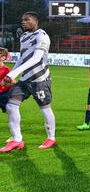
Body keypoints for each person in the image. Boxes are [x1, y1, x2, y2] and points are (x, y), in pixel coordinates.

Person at [0, 12, 56, 152]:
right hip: (25, 79)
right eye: (22, 19)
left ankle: (51, 138)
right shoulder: (24, 36)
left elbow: (36, 58)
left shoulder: (42, 36)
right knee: (11, 105)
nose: (23, 22)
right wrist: (11, 74)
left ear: (35, 21)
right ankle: (17, 140)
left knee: (45, 108)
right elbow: (22, 58)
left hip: (40, 79)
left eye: (27, 19)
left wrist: (13, 73)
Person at [0, 48, 12, 114]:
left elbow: (13, 83)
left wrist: (4, 84)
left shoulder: (6, 70)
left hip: (3, 95)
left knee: (10, 112)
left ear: (3, 58)